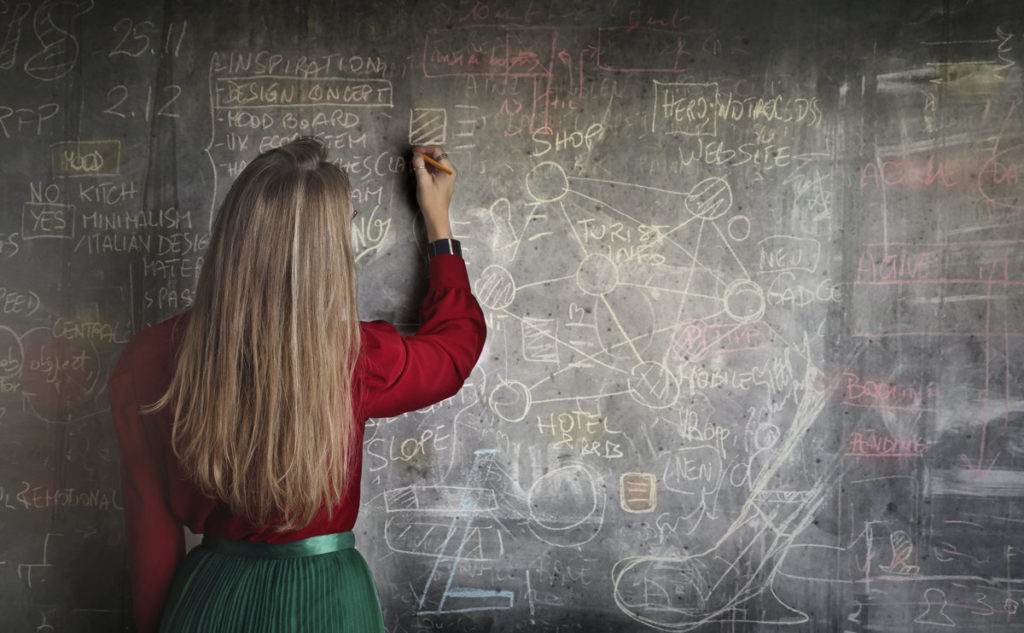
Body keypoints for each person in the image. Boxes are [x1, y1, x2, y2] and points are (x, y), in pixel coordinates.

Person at [108, 138, 486, 633]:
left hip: (209, 600)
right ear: (328, 249)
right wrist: (438, 225)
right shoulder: (358, 357)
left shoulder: (148, 359)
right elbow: (456, 349)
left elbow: (151, 538)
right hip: (327, 599)